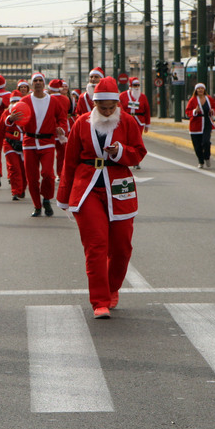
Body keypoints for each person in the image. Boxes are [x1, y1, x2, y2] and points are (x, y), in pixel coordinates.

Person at [56, 76, 145, 318]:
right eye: (101, 107)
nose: (106, 112)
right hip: (87, 189)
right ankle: (99, 301)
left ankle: (111, 287)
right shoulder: (82, 123)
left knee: (122, 248)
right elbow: (70, 161)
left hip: (119, 187)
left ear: (117, 103)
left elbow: (138, 154)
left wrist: (120, 152)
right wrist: (64, 198)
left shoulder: (127, 122)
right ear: (94, 104)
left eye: (111, 107)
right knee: (96, 246)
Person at [8, 72, 68, 218]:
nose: (38, 83)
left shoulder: (53, 101)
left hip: (47, 142)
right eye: (36, 81)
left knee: (48, 174)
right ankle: (37, 206)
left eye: (41, 80)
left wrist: (61, 128)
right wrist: (11, 118)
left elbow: (62, 119)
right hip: (29, 142)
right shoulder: (25, 101)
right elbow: (12, 120)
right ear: (31, 84)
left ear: (44, 83)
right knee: (32, 178)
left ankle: (46, 198)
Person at [186, 83, 215, 168]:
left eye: (202, 88)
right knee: (197, 145)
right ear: (196, 90)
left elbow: (214, 107)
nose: (200, 90)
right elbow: (187, 111)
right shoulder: (192, 100)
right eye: (198, 88)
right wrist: (195, 111)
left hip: (206, 122)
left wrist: (212, 111)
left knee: (206, 142)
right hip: (195, 125)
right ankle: (201, 161)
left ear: (204, 90)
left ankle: (207, 157)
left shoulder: (209, 99)